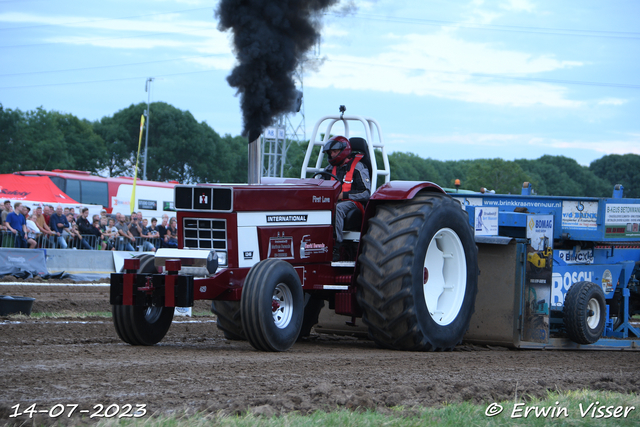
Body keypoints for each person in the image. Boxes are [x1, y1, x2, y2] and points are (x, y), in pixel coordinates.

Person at [320, 136, 371, 261]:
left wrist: (344, 195)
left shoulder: (358, 168)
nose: (332, 154)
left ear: (344, 150)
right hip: (330, 202)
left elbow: (366, 193)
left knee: (338, 208)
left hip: (352, 204)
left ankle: (336, 247)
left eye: (334, 151)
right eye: (330, 152)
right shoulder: (328, 170)